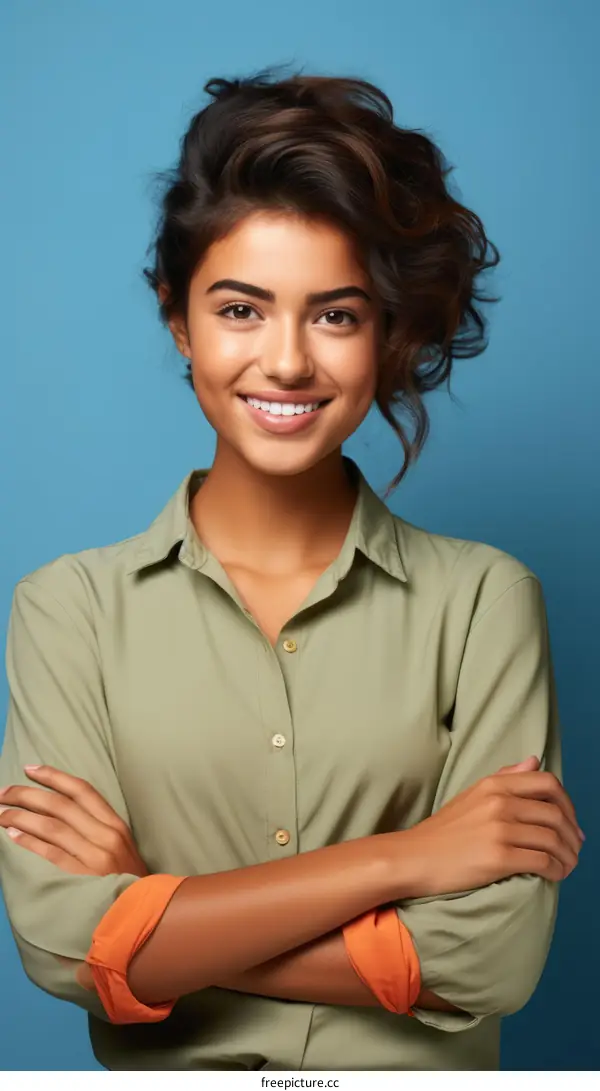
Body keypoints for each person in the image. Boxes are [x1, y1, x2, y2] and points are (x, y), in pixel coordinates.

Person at [0, 71, 583, 1073]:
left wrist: (158, 909)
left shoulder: (486, 601)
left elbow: (493, 957)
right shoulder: (70, 609)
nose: (285, 362)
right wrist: (409, 856)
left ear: (391, 333)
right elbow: (60, 944)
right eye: (240, 308)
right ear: (178, 320)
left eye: (337, 315)